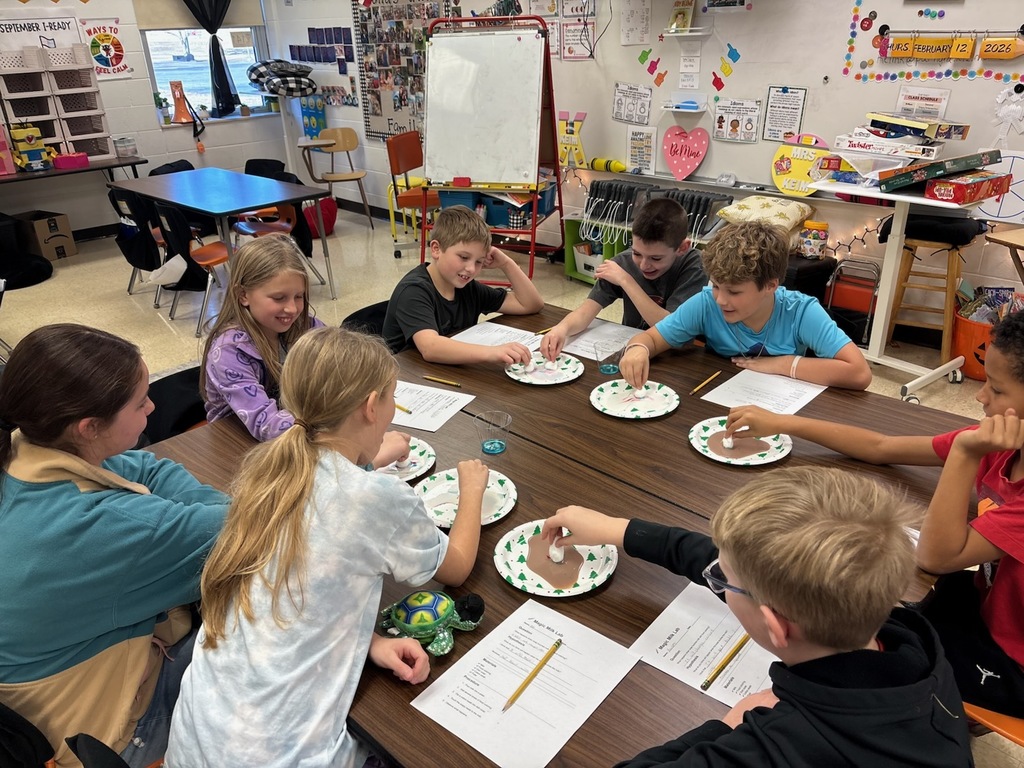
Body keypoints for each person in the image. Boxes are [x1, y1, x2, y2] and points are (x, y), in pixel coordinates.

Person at [166, 327, 488, 768]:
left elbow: (285, 595)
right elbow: (455, 568)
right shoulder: (376, 497)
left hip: (194, 741)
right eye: (392, 399)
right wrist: (472, 490)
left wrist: (367, 640)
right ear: (371, 406)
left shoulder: (265, 472)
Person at [541, 467, 972, 767]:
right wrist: (621, 530)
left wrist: (726, 725)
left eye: (721, 581)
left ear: (775, 626)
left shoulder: (771, 748)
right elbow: (756, 565)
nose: (715, 577)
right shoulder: (913, 637)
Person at [726, 309, 1024, 718]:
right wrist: (785, 422)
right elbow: (882, 446)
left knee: (862, 660)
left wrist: (965, 452)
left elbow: (935, 557)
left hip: (1012, 658)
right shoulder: (1006, 441)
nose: (980, 397)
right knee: (860, 611)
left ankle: (942, 719)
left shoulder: (984, 443)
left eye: (996, 388)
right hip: (985, 601)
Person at [0, 324, 228, 768]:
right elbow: (243, 531)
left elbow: (145, 466)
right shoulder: (101, 528)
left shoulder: (22, 446)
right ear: (88, 428)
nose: (154, 405)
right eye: (141, 401)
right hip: (108, 733)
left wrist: (195, 512)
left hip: (42, 703)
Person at [201, 234, 409, 467]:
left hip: (301, 439)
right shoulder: (228, 351)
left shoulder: (306, 327)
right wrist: (350, 449)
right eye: (278, 298)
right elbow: (265, 424)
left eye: (299, 296)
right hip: (242, 451)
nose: (292, 308)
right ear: (243, 295)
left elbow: (343, 372)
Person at [618, 220, 871, 391]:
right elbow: (651, 339)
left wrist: (784, 364)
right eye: (716, 285)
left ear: (770, 286)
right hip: (720, 398)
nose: (720, 299)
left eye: (734, 291)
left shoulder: (802, 312)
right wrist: (638, 349)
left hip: (780, 406)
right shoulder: (706, 303)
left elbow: (860, 374)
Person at [540, 198, 706, 361]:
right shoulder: (622, 263)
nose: (644, 265)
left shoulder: (694, 265)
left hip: (676, 356)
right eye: (637, 253)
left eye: (656, 258)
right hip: (633, 352)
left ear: (682, 248)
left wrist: (626, 281)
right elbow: (585, 312)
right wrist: (561, 329)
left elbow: (671, 328)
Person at [382, 205, 545, 364]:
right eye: (464, 257)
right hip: (405, 379)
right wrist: (494, 352)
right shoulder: (414, 291)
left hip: (448, 373)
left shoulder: (467, 288)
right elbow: (430, 347)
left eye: (479, 261)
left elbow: (531, 304)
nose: (471, 269)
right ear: (436, 249)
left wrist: (507, 264)